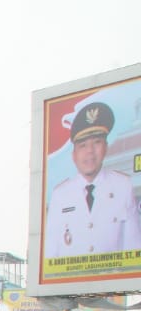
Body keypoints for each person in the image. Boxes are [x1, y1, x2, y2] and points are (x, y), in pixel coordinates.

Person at [45, 101, 141, 258]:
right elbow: (51, 252)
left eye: (96, 142)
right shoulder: (60, 195)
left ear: (105, 147)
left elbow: (133, 247)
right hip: (71, 273)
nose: (90, 151)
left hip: (113, 273)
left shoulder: (123, 186)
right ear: (74, 155)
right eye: (83, 145)